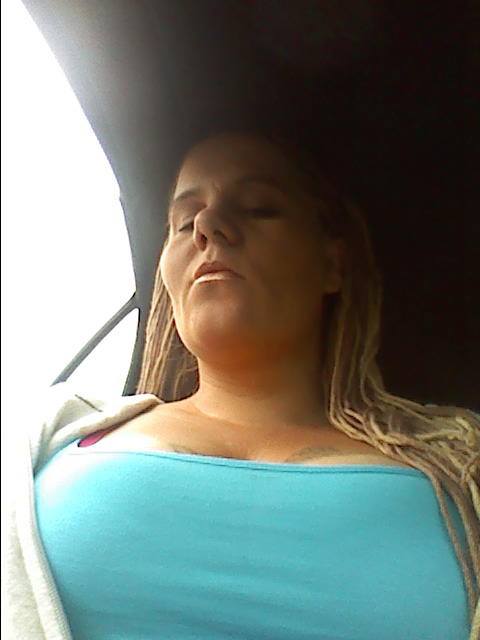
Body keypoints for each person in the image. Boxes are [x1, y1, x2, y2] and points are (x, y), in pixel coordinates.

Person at [6, 128, 479, 640]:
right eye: (184, 221)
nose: (207, 225)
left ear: (332, 263)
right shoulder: (50, 436)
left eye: (258, 208)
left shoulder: (459, 464)